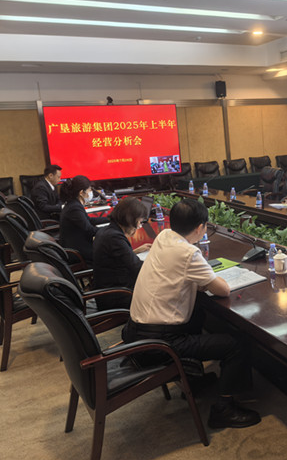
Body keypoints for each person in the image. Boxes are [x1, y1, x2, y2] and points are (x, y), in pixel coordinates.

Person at [122, 199, 261, 429]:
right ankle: (224, 409)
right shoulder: (188, 253)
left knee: (197, 313)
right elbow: (223, 290)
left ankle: (193, 379)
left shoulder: (164, 236)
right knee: (237, 344)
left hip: (136, 332)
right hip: (159, 344)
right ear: (199, 228)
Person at [92, 197, 151, 310]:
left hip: (109, 289)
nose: (139, 226)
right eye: (139, 222)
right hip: (117, 296)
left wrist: (134, 252)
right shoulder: (114, 238)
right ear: (130, 220)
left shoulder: (107, 231)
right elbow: (137, 268)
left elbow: (115, 259)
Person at [59, 175, 109, 266]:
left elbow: (89, 220)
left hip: (77, 244)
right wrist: (110, 228)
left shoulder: (74, 204)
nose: (91, 192)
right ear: (81, 192)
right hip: (77, 251)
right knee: (110, 254)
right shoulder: (74, 208)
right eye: (89, 190)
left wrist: (109, 219)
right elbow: (90, 230)